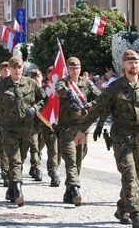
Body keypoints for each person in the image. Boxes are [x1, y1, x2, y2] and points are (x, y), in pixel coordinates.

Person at [75, 50, 139, 227]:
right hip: (121, 137)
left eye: (136, 62)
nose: (133, 65)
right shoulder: (115, 87)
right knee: (129, 175)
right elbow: (97, 109)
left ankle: (122, 208)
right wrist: (81, 129)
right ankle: (137, 213)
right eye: (129, 62)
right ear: (123, 65)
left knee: (135, 177)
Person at [0, 56, 46, 206]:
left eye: (20, 68)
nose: (17, 70)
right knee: (15, 159)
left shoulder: (30, 84)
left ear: (23, 69)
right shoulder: (0, 86)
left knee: (21, 158)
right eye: (14, 68)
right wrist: (0, 114)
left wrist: (35, 108)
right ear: (9, 69)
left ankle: (11, 188)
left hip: (27, 129)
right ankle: (18, 189)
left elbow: (44, 99)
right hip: (8, 129)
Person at [56, 57, 101, 206]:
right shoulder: (63, 83)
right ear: (67, 69)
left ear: (80, 68)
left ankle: (68, 192)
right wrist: (69, 93)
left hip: (82, 129)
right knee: (70, 160)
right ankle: (75, 189)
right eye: (72, 68)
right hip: (66, 128)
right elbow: (60, 90)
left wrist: (89, 105)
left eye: (77, 68)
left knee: (78, 161)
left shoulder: (86, 83)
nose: (75, 70)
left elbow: (100, 97)